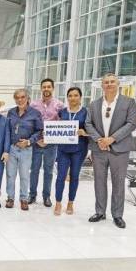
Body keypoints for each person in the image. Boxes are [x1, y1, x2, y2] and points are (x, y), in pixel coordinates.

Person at [86, 73, 136, 229]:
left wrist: (112, 138)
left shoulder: (128, 102)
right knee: (99, 181)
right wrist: (99, 140)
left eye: (112, 82)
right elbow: (88, 124)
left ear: (118, 84)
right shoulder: (94, 104)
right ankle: (100, 212)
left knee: (118, 182)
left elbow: (131, 123)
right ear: (102, 85)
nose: (109, 84)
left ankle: (117, 215)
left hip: (120, 149)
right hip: (99, 149)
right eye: (106, 82)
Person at [6, 89, 44, 211]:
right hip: (12, 148)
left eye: (22, 97)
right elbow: (8, 130)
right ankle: (10, 198)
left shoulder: (35, 113)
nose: (20, 100)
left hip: (27, 149)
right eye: (17, 97)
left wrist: (29, 141)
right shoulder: (11, 112)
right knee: (10, 175)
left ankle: (23, 199)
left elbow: (39, 131)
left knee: (24, 175)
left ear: (27, 98)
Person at [29, 78, 64, 207]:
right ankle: (32, 195)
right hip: (36, 143)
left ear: (53, 88)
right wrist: (37, 139)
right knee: (34, 170)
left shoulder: (59, 105)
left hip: (51, 144)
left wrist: (50, 138)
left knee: (49, 171)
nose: (46, 89)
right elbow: (30, 124)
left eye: (49, 87)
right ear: (41, 88)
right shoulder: (33, 105)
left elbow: (62, 124)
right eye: (44, 87)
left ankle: (46, 196)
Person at [54, 87, 89, 216]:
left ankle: (70, 203)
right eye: (70, 95)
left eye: (75, 95)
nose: (72, 98)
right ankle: (58, 202)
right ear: (67, 97)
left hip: (79, 149)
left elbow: (91, 130)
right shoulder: (62, 112)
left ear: (80, 97)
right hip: (63, 149)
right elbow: (56, 128)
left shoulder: (86, 112)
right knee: (61, 176)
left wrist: (84, 132)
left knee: (74, 176)